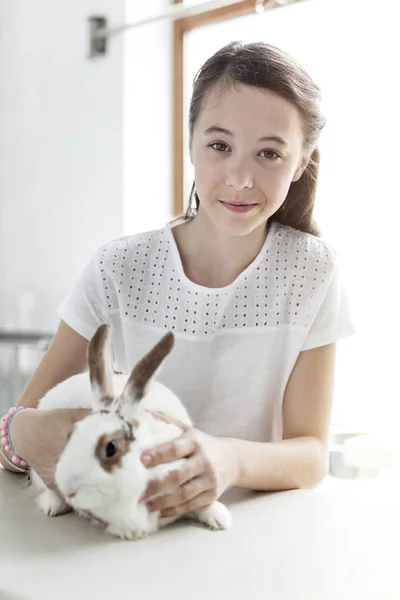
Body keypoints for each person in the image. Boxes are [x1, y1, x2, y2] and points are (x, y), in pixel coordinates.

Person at [0, 41, 354, 518]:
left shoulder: (312, 269)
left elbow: (311, 454)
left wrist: (227, 458)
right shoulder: (118, 268)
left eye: (269, 153)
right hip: (124, 530)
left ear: (302, 160)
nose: (241, 177)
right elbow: (15, 435)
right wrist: (21, 433)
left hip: (248, 534)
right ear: (190, 142)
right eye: (220, 146)